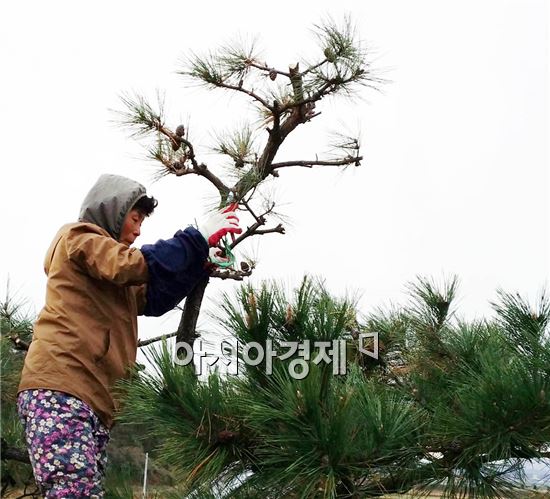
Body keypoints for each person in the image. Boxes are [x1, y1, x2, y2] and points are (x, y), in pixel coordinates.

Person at [16, 173, 241, 498]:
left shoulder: (110, 273)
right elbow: (131, 265)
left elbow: (155, 297)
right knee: (71, 490)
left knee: (84, 491)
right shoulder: (79, 238)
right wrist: (196, 237)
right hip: (60, 390)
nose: (138, 230)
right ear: (113, 212)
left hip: (93, 401)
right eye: (134, 219)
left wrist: (197, 264)